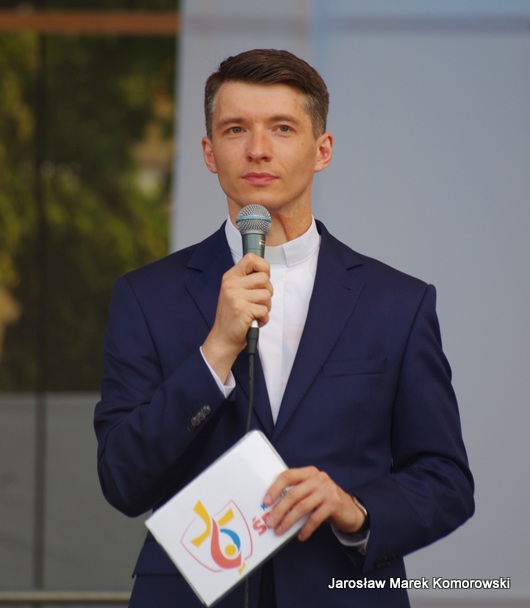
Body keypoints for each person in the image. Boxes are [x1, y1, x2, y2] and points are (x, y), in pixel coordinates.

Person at [94, 49, 474, 607]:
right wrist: (215, 352)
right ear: (209, 152)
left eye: (282, 128)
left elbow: (446, 479)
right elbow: (122, 479)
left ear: (322, 150)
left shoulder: (397, 303)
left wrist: (356, 509)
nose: (258, 149)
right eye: (235, 129)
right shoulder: (146, 297)